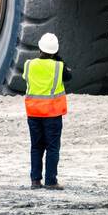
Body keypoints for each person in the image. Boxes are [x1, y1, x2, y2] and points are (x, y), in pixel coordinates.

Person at [23, 32, 71, 190]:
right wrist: (59, 59)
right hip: (52, 114)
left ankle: (35, 181)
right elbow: (69, 76)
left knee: (36, 147)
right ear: (55, 51)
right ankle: (51, 181)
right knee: (52, 147)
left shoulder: (29, 64)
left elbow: (25, 77)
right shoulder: (58, 66)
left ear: (39, 48)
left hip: (34, 113)